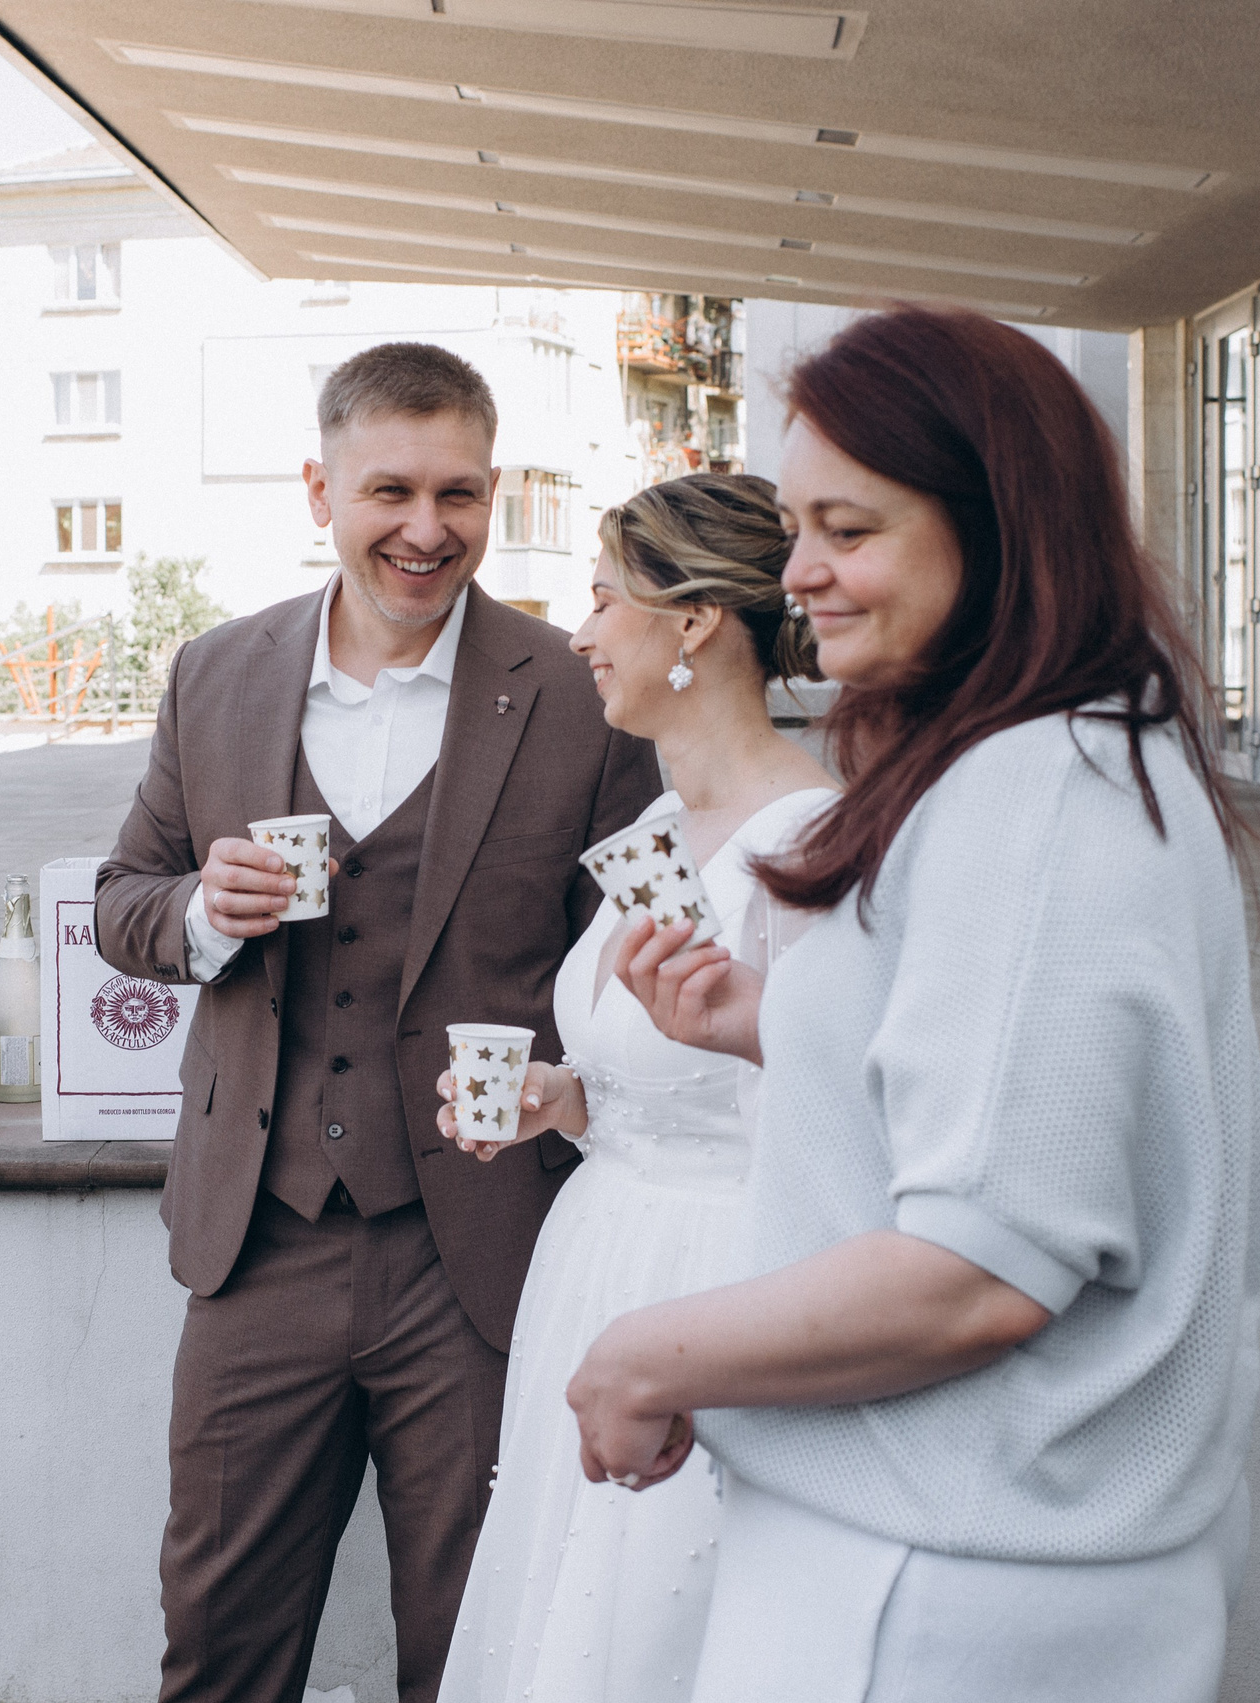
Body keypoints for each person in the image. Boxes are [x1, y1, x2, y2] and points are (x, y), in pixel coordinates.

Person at [568, 307, 1260, 1703]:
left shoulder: (1040, 794)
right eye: (794, 525)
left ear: (997, 526)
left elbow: (982, 1267)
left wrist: (645, 1350)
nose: (803, 572)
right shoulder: (1029, 763)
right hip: (935, 1554)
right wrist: (764, 1019)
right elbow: (1000, 1076)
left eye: (850, 527)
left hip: (946, 1588)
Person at [93, 343, 663, 1703]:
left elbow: (648, 952)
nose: (426, 528)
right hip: (258, 1241)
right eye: (390, 490)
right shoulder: (217, 675)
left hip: (479, 1249)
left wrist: (582, 1087)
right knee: (218, 1638)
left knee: (475, 1644)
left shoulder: (581, 689)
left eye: (459, 492)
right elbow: (125, 901)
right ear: (320, 487)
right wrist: (207, 913)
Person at [429, 473, 837, 1703]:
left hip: (720, 1273)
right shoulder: (661, 820)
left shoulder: (815, 840)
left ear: (695, 622)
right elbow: (673, 1068)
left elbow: (835, 1108)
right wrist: (561, 1097)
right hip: (597, 1259)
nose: (580, 632)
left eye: (604, 599)